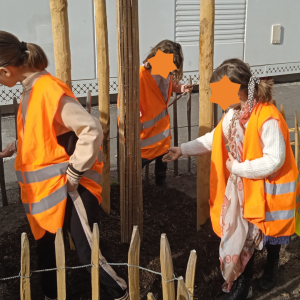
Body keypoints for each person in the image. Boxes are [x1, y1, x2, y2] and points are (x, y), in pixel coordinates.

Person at [0, 31, 128, 300]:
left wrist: (73, 174)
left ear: (5, 70)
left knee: (87, 249)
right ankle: (51, 294)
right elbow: (45, 134)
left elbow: (91, 129)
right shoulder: (30, 90)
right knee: (46, 248)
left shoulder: (48, 89)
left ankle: (119, 292)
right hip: (46, 194)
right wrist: (18, 144)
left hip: (71, 188)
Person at [163, 58, 298, 300]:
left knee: (270, 236)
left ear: (237, 90)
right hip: (249, 189)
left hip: (270, 192)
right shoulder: (235, 114)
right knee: (247, 238)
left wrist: (237, 167)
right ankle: (243, 285)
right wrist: (182, 149)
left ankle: (270, 269)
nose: (215, 96)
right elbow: (213, 139)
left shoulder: (268, 117)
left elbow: (274, 160)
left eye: (218, 90)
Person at [118, 40, 193, 187]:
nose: (170, 71)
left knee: (162, 156)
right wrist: (133, 115)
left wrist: (182, 87)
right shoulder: (139, 75)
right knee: (138, 161)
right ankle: (130, 186)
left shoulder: (166, 72)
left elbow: (170, 85)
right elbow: (125, 100)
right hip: (142, 131)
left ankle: (161, 182)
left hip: (160, 129)